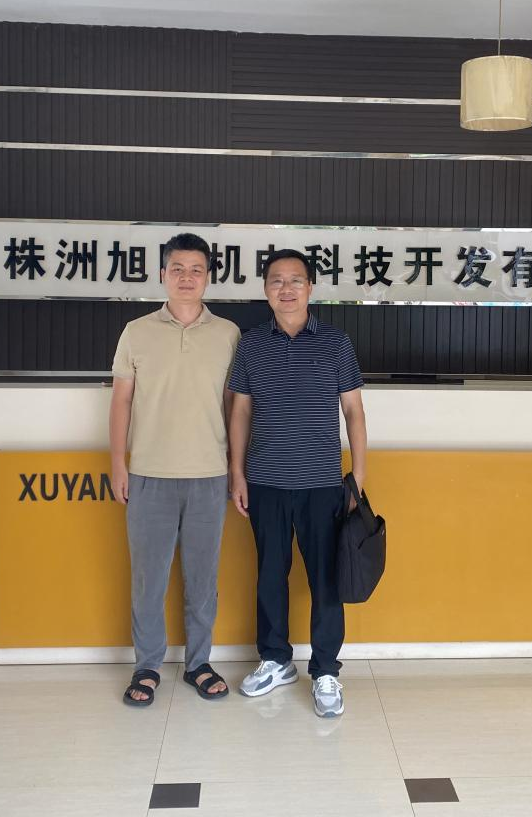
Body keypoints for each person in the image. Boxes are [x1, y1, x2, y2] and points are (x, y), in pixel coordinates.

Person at [227, 249, 368, 718]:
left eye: (295, 280)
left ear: (310, 287)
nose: (285, 289)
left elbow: (353, 411)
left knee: (326, 579)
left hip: (323, 483)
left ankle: (325, 669)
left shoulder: (336, 343)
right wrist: (237, 472)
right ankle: (276, 660)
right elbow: (241, 410)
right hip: (265, 481)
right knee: (270, 574)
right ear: (265, 288)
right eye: (276, 280)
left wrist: (358, 477)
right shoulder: (251, 345)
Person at [109, 233, 240, 707]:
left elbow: (234, 406)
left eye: (196, 269)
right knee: (149, 580)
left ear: (209, 277)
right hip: (148, 474)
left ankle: (198, 663)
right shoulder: (136, 331)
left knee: (203, 580)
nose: (187, 277)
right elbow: (121, 401)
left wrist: (236, 468)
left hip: (209, 474)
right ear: (163, 274)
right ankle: (146, 667)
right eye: (178, 269)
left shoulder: (228, 334)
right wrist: (118, 462)